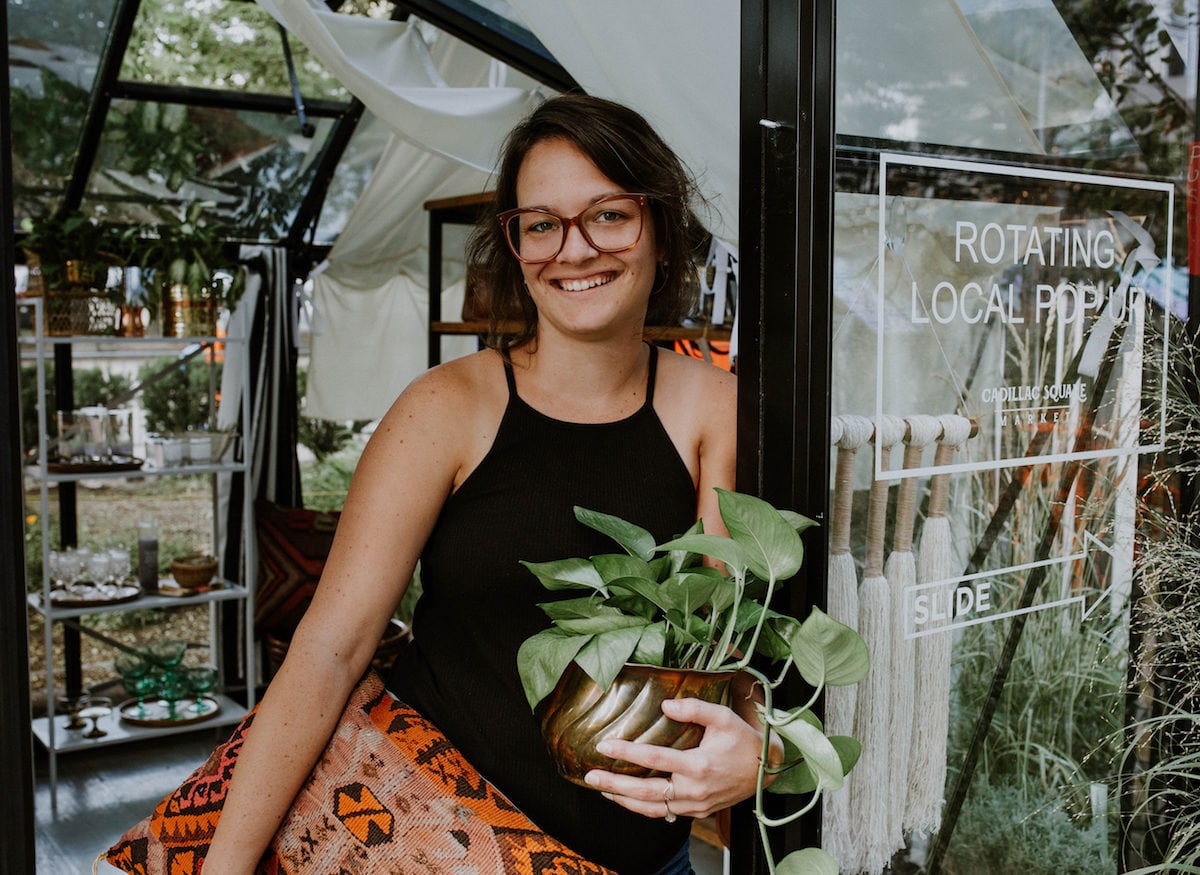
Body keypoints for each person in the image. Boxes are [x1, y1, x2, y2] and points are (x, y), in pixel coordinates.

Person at [204, 94, 769, 875]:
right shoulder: (445, 407)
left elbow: (728, 649)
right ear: (514, 245)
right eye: (541, 224)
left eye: (608, 215)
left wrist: (758, 752)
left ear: (663, 231)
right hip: (430, 842)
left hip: (641, 863)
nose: (573, 250)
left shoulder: (714, 409)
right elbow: (331, 649)